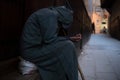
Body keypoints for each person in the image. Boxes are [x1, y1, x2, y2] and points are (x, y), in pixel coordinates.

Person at [20, 0, 81, 80]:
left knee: (67, 46)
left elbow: (50, 39)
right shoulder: (50, 15)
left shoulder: (50, 13)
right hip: (31, 52)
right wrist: (68, 40)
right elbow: (50, 40)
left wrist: (69, 38)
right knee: (68, 46)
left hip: (35, 48)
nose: (60, 26)